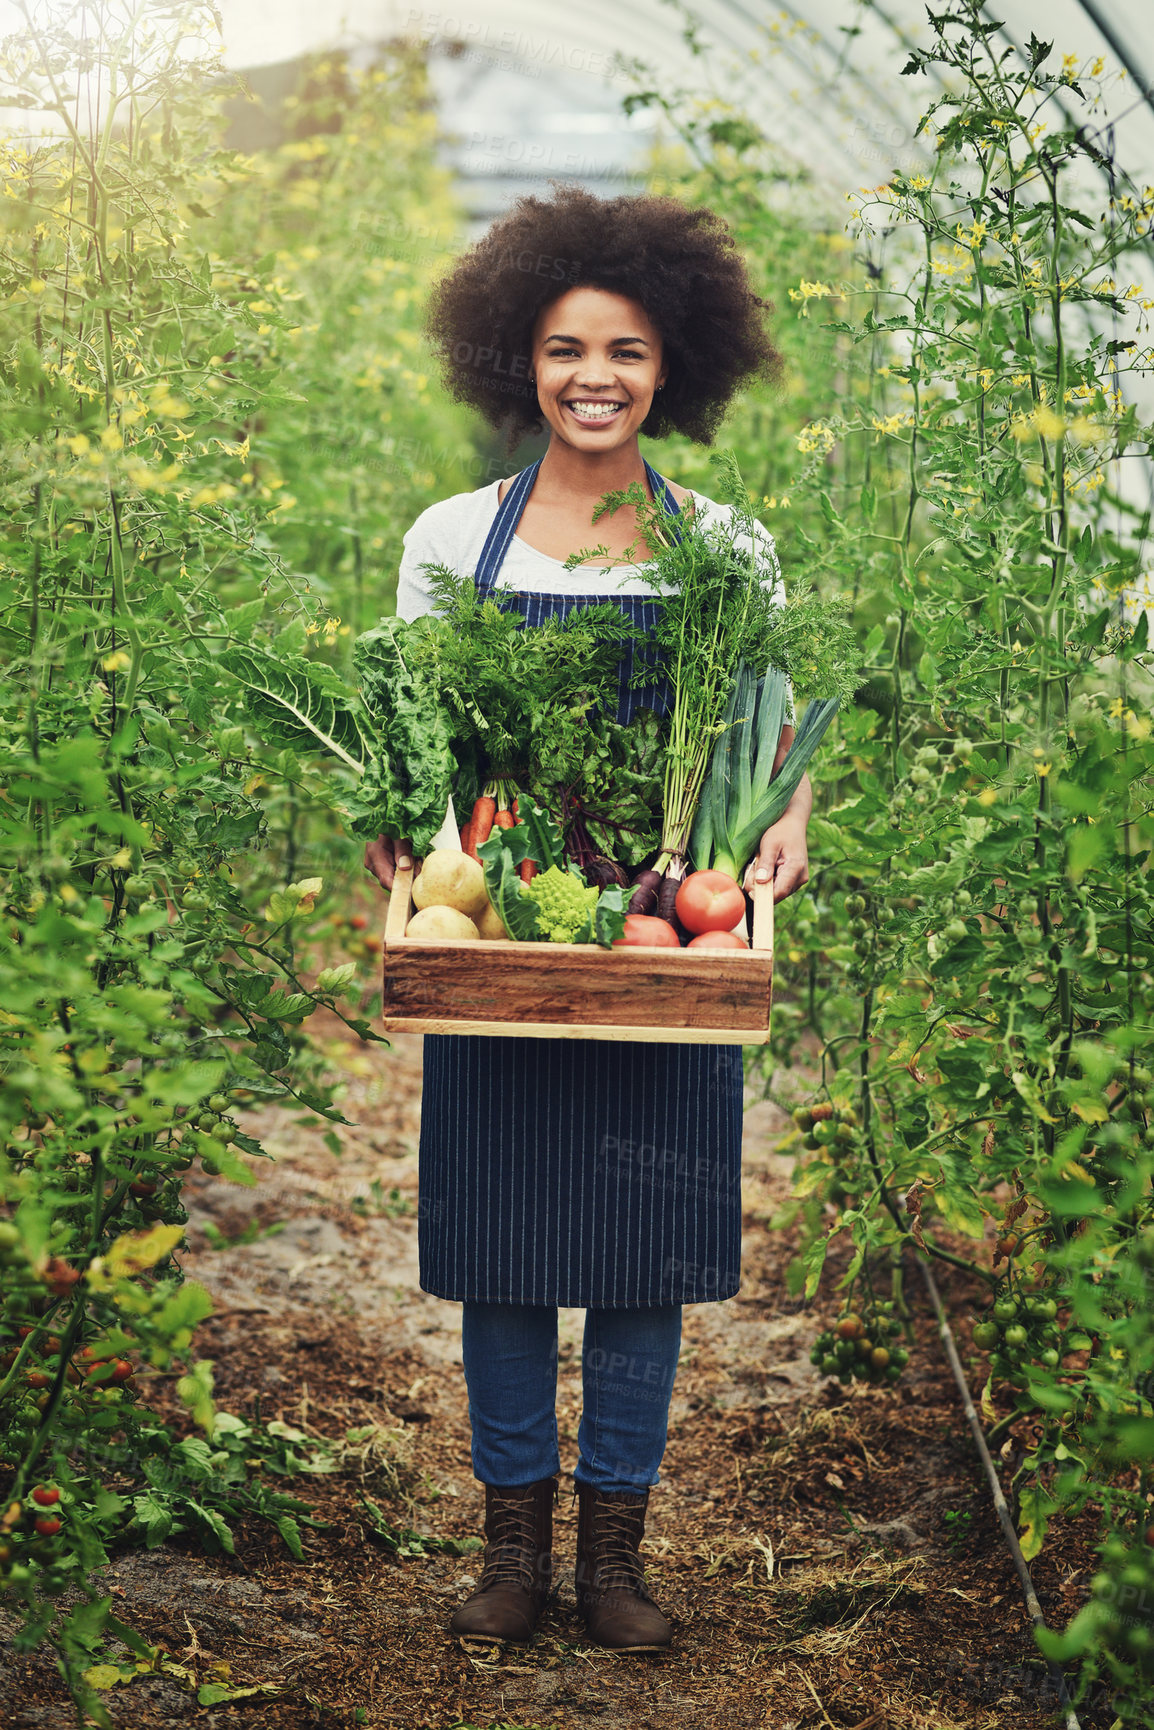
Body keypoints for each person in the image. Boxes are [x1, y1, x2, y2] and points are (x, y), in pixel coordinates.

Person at [364, 184, 812, 1655]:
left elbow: (768, 732)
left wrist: (778, 833)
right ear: (521, 361)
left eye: (621, 349)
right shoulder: (451, 538)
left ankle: (615, 1556)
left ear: (670, 361)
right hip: (502, 930)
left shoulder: (728, 546)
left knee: (645, 1248)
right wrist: (409, 842)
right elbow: (420, 740)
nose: (592, 377)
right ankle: (510, 1550)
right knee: (499, 1243)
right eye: (563, 349)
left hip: (663, 944)